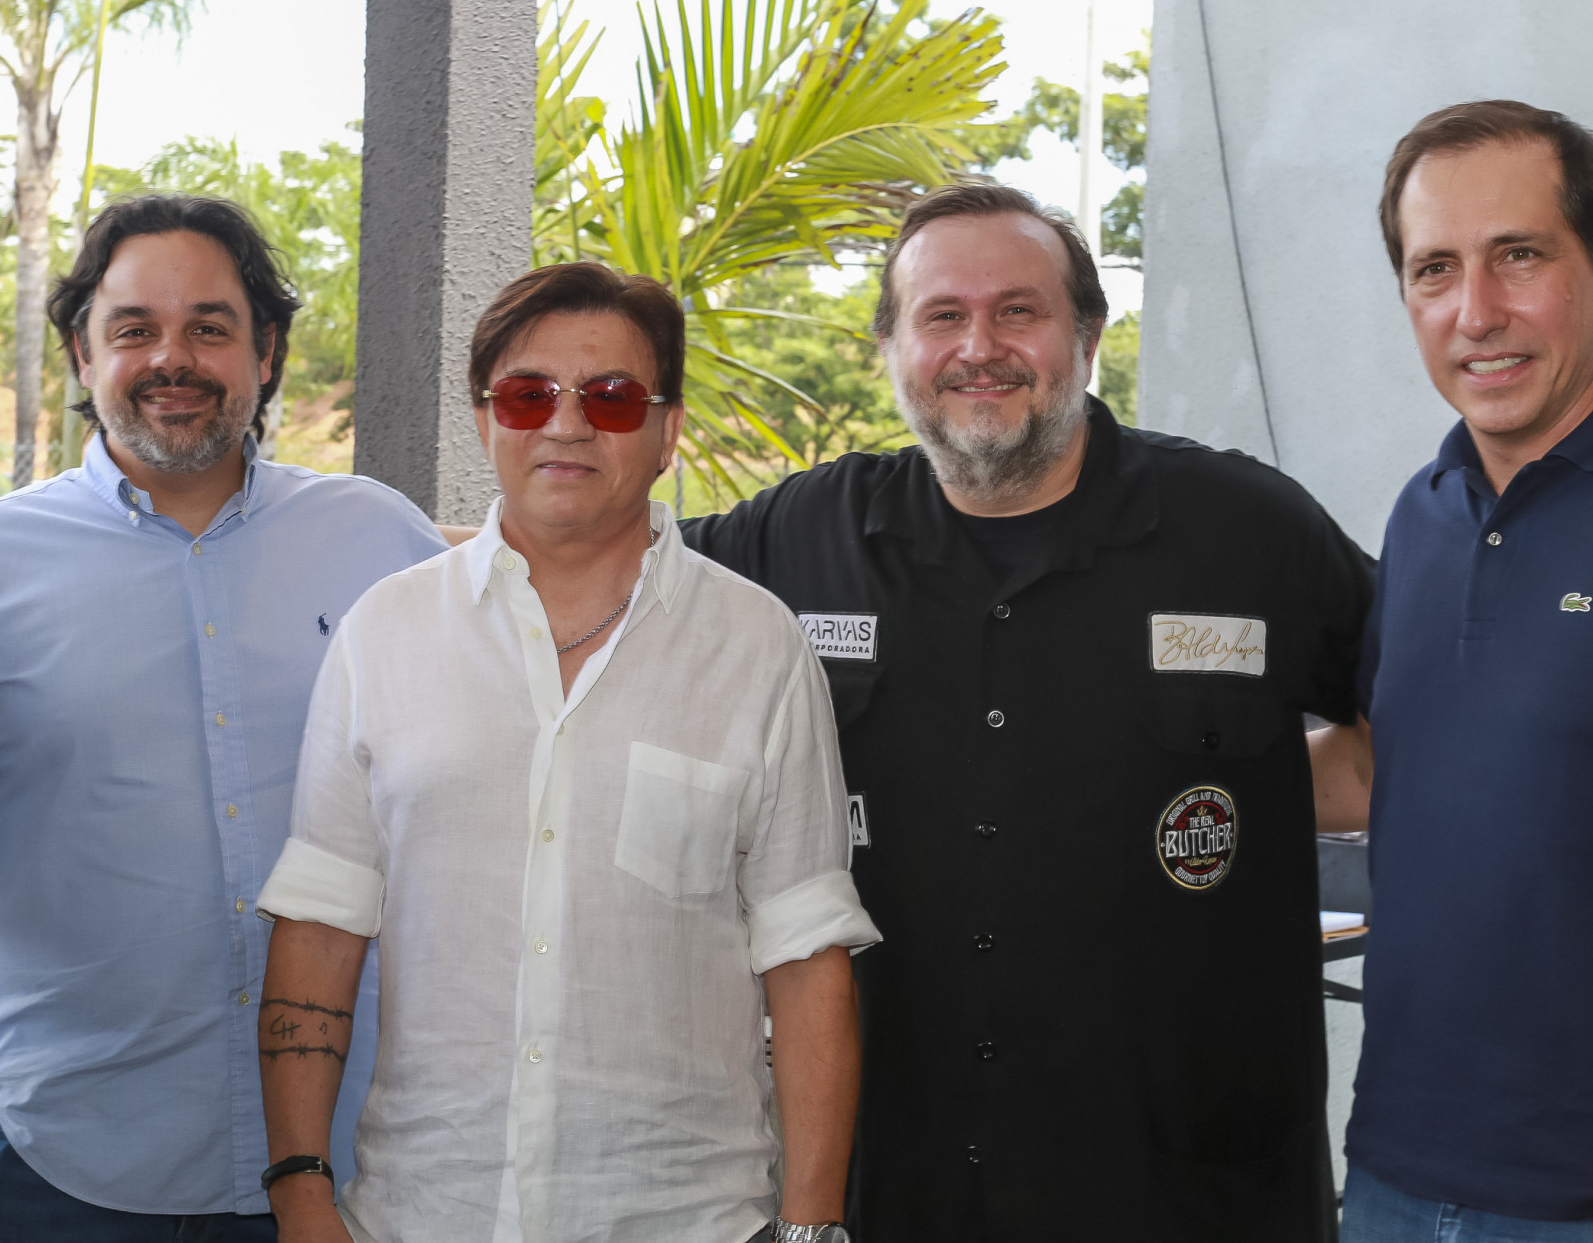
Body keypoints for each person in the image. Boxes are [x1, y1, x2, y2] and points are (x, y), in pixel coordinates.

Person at [677, 183, 1374, 1240]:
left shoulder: (1247, 531)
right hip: (899, 1180)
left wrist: (1262, 791)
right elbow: (590, 565)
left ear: (1087, 337)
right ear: (890, 346)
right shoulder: (802, 535)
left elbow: (1426, 715)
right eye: (941, 315)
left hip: (1184, 1189)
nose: (979, 347)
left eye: (1018, 310)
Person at [255, 261, 878, 1243]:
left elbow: (804, 957)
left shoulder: (756, 648)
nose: (566, 423)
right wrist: (301, 1192)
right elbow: (321, 930)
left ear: (668, 430)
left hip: (689, 1218)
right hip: (421, 1213)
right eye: (527, 393)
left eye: (614, 397)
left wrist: (810, 1226)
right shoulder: (385, 633)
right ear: (484, 419)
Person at [0, 195, 446, 1242]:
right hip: (61, 1156)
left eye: (209, 325)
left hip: (348, 1159)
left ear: (267, 349)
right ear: (79, 350)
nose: (174, 357)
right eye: (134, 329)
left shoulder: (382, 538)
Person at [1313, 100, 1593, 1242]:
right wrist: (1154, 771)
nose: (1476, 312)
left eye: (1517, 255)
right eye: (1435, 270)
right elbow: (1393, 761)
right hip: (1394, 1168)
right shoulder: (1422, 513)